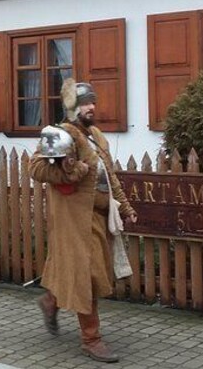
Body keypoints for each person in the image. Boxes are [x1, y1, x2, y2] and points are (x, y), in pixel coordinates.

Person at [29, 78, 138, 364]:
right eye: (86, 103)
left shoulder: (97, 135)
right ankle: (92, 339)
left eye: (93, 102)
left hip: (99, 215)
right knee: (87, 275)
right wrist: (74, 170)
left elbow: (108, 175)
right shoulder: (59, 134)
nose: (92, 107)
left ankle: (50, 302)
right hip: (74, 219)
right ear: (72, 107)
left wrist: (125, 207)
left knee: (81, 270)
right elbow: (37, 169)